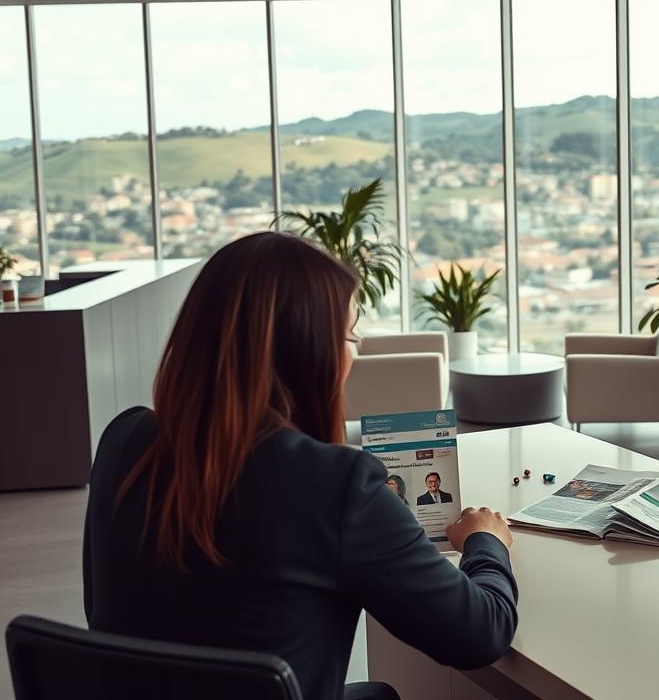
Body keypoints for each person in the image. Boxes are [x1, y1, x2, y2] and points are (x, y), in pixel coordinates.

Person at [83, 232, 518, 700]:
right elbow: (479, 634)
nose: (354, 353)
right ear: (309, 352)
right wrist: (485, 541)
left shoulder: (124, 441)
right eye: (350, 336)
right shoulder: (335, 486)